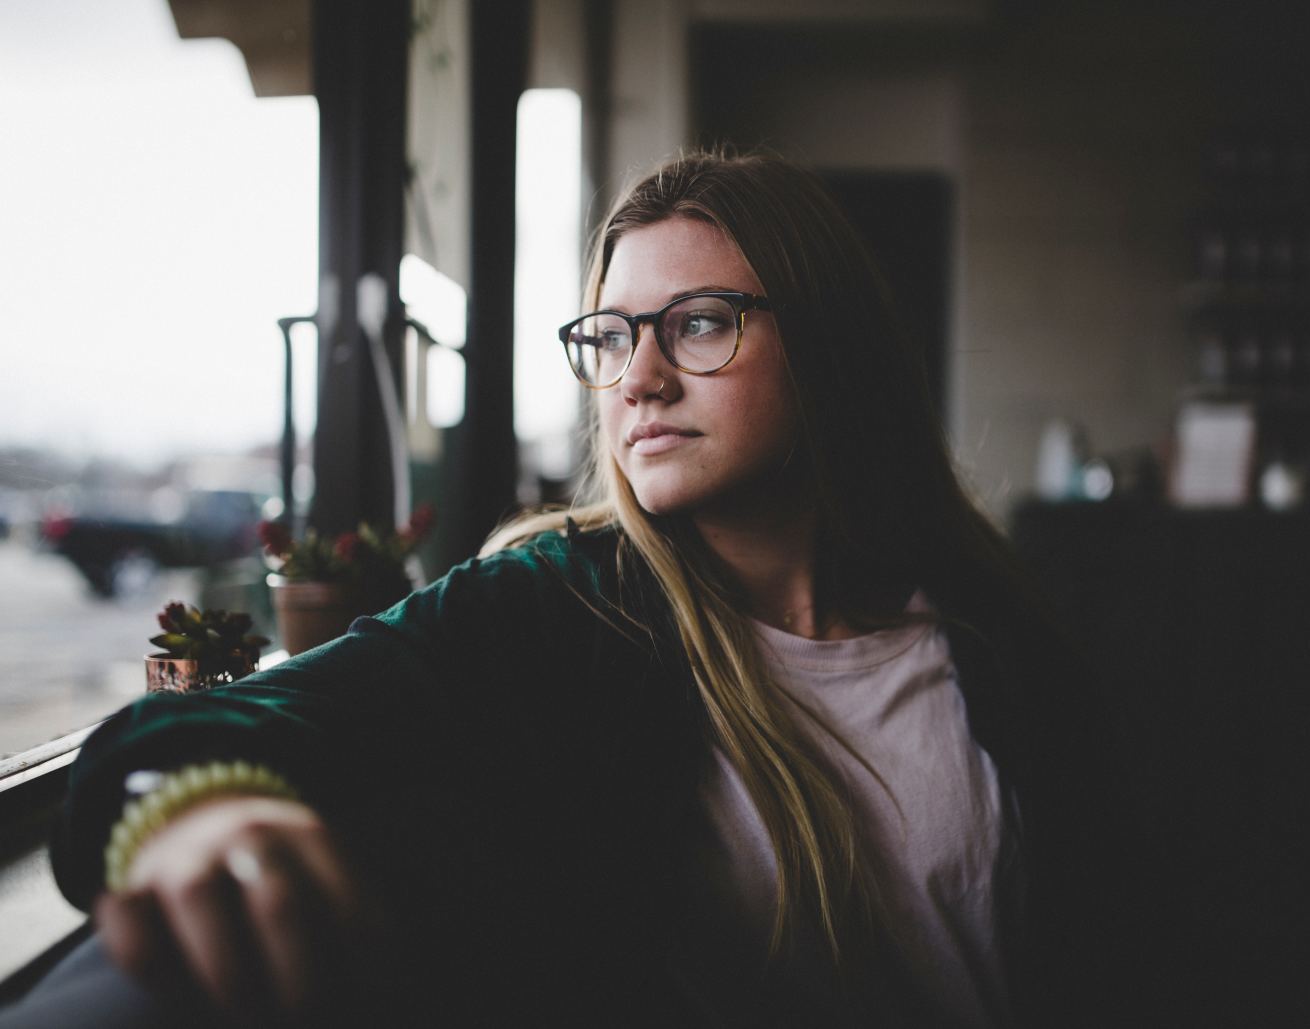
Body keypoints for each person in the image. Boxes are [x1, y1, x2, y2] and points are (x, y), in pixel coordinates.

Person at [11, 150, 1134, 1027]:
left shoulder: (994, 631)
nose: (638, 378)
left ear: (829, 347)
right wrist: (193, 811)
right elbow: (198, 724)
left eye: (698, 324)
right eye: (609, 335)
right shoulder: (560, 599)